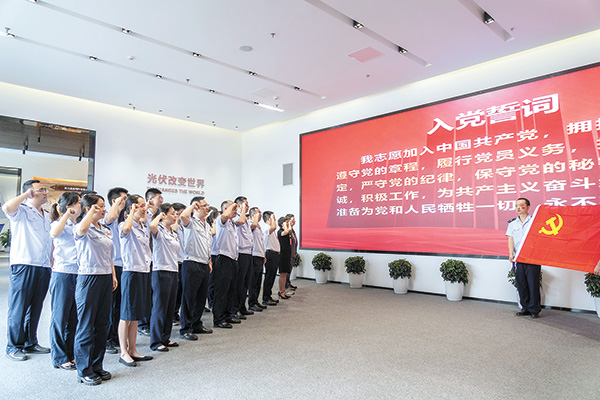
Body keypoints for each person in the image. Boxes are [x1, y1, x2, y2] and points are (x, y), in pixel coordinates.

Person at [3, 179, 52, 361]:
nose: (45, 192)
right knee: (19, 306)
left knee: (36, 306)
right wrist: (25, 195)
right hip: (24, 264)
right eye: (40, 190)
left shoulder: (47, 214)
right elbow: (6, 207)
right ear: (30, 192)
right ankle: (13, 346)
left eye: (45, 189)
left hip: (43, 266)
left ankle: (30, 342)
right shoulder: (21, 210)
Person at [73, 194, 118, 385]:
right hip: (88, 278)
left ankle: (97, 365)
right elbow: (81, 230)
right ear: (89, 208)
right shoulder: (82, 226)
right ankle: (84, 369)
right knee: (86, 325)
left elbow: (109, 256)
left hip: (105, 277)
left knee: (101, 324)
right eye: (100, 206)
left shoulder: (104, 229)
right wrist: (89, 213)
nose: (104, 209)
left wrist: (113, 275)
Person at [118, 194, 153, 366]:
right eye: (140, 205)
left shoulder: (142, 226)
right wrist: (131, 212)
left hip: (143, 271)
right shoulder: (125, 225)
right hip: (131, 272)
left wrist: (146, 209)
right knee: (126, 314)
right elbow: (125, 229)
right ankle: (123, 352)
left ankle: (132, 349)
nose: (143, 208)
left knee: (135, 314)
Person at [48, 192, 81, 370]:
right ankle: (59, 357)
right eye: (79, 202)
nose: (81, 205)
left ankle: (70, 353)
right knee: (60, 317)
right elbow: (55, 233)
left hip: (78, 273)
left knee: (73, 317)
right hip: (62, 273)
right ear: (69, 206)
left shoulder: (78, 225)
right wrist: (66, 215)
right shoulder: (57, 223)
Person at [179, 197, 213, 340]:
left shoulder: (206, 224)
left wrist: (209, 260)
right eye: (204, 205)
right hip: (192, 263)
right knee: (189, 297)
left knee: (201, 297)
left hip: (204, 263)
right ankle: (186, 328)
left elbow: (207, 244)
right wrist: (192, 206)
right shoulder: (191, 222)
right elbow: (182, 216)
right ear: (197, 207)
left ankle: (196, 324)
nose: (207, 208)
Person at [149, 203, 180, 351]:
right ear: (163, 215)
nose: (175, 215)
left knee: (169, 307)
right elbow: (151, 226)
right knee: (160, 307)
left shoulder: (172, 231)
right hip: (161, 271)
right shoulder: (159, 229)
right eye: (172, 213)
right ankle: (156, 341)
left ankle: (165, 338)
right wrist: (158, 216)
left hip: (173, 270)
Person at [506, 197, 542, 318]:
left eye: (521, 205)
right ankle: (525, 308)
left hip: (532, 258)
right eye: (516, 205)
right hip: (518, 258)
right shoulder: (512, 224)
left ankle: (534, 309)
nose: (518, 208)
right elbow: (510, 239)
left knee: (533, 283)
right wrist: (511, 253)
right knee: (521, 283)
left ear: (527, 207)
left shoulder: (535, 221)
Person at [105, 187, 128, 354]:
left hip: (124, 265)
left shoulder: (123, 217)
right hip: (111, 266)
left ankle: (116, 337)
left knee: (120, 304)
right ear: (114, 201)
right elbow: (110, 218)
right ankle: (107, 340)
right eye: (123, 199)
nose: (125, 201)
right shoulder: (109, 216)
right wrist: (117, 206)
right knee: (111, 305)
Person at [138, 188, 164, 336]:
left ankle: (150, 322)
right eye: (159, 198)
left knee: (153, 292)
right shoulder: (144, 215)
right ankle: (143, 324)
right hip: (143, 258)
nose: (161, 201)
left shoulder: (159, 215)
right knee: (145, 292)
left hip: (155, 258)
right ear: (150, 199)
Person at [212, 200, 240, 329]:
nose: (236, 211)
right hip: (223, 258)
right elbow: (224, 216)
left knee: (231, 289)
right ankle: (219, 318)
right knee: (222, 291)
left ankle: (228, 315)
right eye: (233, 209)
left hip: (233, 259)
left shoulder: (232, 223)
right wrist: (233, 205)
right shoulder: (221, 220)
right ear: (225, 209)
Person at [232, 196, 254, 320]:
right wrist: (242, 211)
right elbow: (239, 222)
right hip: (240, 253)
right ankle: (235, 309)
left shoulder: (245, 218)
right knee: (239, 283)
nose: (248, 206)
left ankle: (242, 307)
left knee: (246, 282)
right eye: (245, 204)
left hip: (248, 252)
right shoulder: (236, 217)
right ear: (239, 205)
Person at [247, 207, 267, 313]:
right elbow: (252, 227)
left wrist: (264, 255)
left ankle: (255, 301)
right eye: (259, 212)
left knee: (258, 281)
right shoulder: (250, 223)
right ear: (253, 215)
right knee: (253, 281)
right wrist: (255, 218)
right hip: (254, 255)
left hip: (260, 255)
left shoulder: (259, 226)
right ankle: (251, 303)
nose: (261, 214)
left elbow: (261, 242)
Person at [171, 202, 186, 325]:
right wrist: (176, 218)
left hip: (183, 260)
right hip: (175, 262)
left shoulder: (183, 226)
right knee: (174, 292)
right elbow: (174, 230)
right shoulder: (173, 225)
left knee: (180, 290)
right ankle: (172, 315)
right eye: (180, 213)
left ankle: (175, 313)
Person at [261, 211, 279, 307]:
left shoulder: (269, 229)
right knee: (269, 277)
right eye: (273, 218)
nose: (274, 220)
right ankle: (266, 298)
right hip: (270, 254)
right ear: (268, 219)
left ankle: (268, 296)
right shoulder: (266, 228)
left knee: (272, 277)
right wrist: (272, 219)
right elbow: (274, 227)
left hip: (274, 254)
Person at [277, 216, 293, 300]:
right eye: (286, 222)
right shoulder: (280, 232)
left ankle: (283, 291)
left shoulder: (286, 231)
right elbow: (287, 231)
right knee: (282, 274)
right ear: (281, 224)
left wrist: (288, 224)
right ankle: (281, 291)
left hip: (287, 254)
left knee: (285, 273)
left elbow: (289, 230)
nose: (288, 224)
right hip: (282, 255)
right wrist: (285, 225)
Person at [285, 213, 298, 291]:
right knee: (286, 271)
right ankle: (286, 285)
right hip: (288, 254)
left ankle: (288, 283)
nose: (294, 222)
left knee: (289, 270)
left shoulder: (292, 230)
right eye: (292, 220)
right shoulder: (286, 230)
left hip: (292, 253)